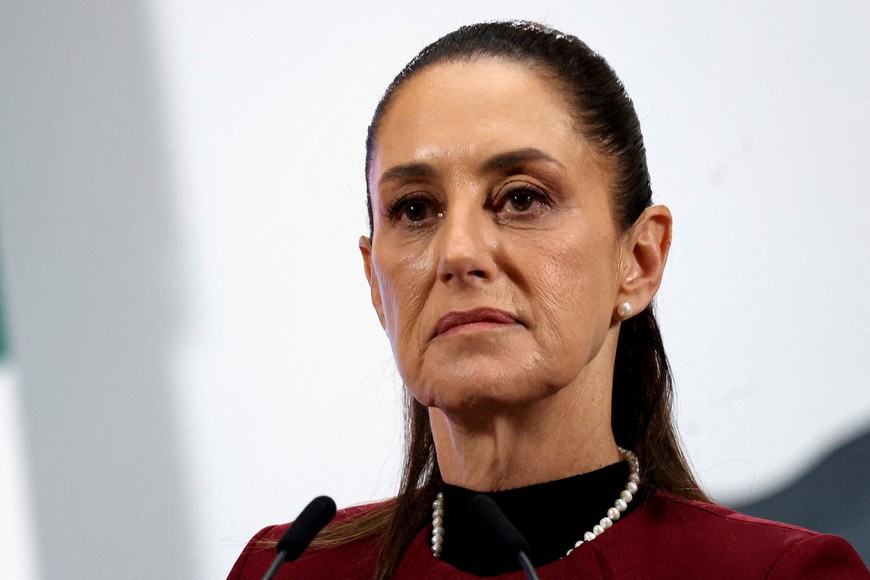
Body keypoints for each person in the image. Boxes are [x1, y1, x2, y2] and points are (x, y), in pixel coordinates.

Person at [229, 21, 869, 579]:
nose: (458, 252)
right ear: (376, 283)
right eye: (415, 209)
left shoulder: (776, 574)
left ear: (638, 262)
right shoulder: (286, 569)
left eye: (521, 198)